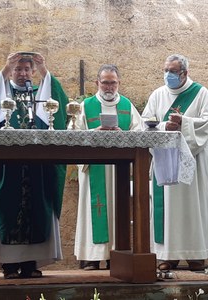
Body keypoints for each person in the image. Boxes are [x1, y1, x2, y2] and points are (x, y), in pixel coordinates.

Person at [0, 52, 68, 279]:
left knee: (36, 206)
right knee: (6, 206)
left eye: (27, 69)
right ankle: (8, 265)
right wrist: (5, 68)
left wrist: (45, 68)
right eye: (18, 69)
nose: (22, 73)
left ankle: (30, 263)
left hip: (37, 167)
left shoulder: (41, 95)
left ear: (33, 73)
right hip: (7, 167)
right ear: (12, 71)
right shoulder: (1, 91)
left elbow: (60, 105)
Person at [141, 54, 208, 271]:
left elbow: (206, 123)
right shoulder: (158, 94)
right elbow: (145, 122)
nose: (168, 75)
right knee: (166, 208)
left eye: (173, 71)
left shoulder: (201, 93)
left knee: (192, 206)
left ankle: (196, 254)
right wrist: (163, 128)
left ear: (184, 73)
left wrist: (183, 123)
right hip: (164, 159)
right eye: (165, 70)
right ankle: (168, 255)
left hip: (191, 161)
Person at [72, 64, 142, 270]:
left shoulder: (127, 106)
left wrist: (123, 134)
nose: (109, 87)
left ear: (119, 83)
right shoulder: (86, 106)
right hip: (94, 168)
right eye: (105, 82)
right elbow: (72, 134)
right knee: (93, 210)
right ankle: (91, 258)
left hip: (117, 171)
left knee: (116, 211)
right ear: (97, 83)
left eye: (113, 83)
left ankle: (115, 257)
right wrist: (95, 131)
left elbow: (140, 133)